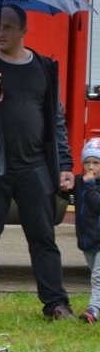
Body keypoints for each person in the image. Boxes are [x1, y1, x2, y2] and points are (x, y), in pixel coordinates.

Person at [0, 4, 77, 320]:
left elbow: (55, 119)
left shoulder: (44, 68)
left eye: (7, 27)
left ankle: (56, 305)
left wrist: (63, 164)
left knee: (43, 239)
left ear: (23, 30)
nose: (0, 33)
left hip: (34, 169)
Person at [73, 138, 100, 324]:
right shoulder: (79, 181)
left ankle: (93, 311)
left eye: (96, 163)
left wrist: (91, 187)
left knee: (98, 278)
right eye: (87, 162)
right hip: (86, 240)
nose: (90, 167)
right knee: (96, 275)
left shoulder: (91, 185)